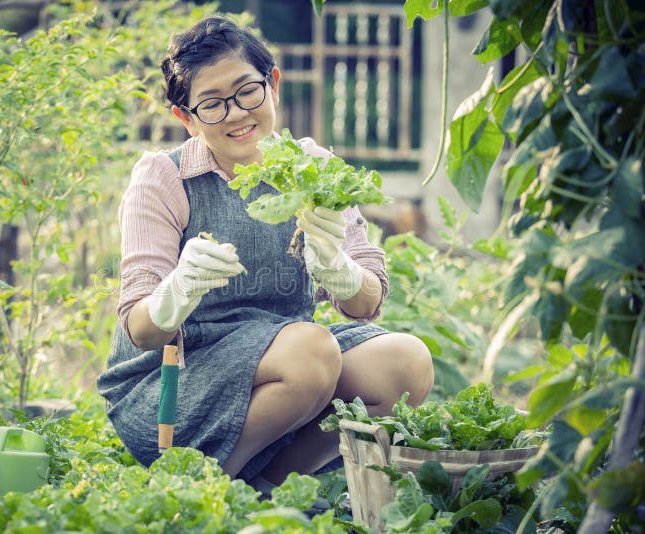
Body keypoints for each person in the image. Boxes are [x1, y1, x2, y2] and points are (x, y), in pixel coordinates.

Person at [97, 15, 433, 492]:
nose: (236, 113)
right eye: (211, 104)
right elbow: (141, 331)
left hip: (288, 371)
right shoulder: (164, 178)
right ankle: (208, 485)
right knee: (310, 350)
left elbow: (367, 304)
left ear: (272, 84)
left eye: (246, 91)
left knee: (405, 360)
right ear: (186, 119)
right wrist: (177, 291)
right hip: (175, 382)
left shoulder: (314, 170)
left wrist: (340, 270)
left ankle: (273, 487)